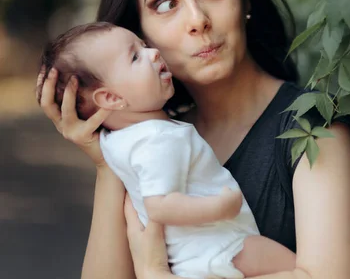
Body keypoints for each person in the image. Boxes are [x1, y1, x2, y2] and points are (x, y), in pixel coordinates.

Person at [38, 0, 350, 279]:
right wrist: (106, 160)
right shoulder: (157, 144)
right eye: (164, 4)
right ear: (137, 35)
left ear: (245, 0)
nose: (198, 19)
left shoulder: (312, 128)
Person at [37, 22, 296, 278]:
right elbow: (160, 206)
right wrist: (220, 208)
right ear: (111, 98)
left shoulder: (113, 139)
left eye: (144, 45)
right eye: (136, 57)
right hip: (225, 249)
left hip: (193, 258)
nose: (153, 53)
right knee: (303, 270)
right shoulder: (158, 140)